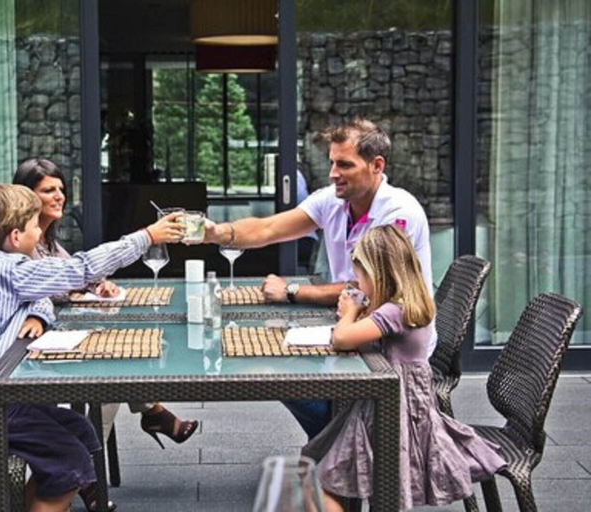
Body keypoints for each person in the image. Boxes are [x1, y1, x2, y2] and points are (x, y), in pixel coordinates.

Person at [0, 183, 185, 512]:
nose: (40, 232)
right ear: (15, 237)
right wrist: (146, 236)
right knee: (69, 460)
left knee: (79, 429)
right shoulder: (8, 269)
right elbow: (81, 269)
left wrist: (37, 313)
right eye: (35, 226)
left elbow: (41, 296)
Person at [203, 118, 436, 438]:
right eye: (332, 163)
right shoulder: (333, 200)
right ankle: (340, 443)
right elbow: (269, 228)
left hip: (389, 348)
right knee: (278, 360)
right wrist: (217, 233)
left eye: (345, 164)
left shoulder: (398, 212)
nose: (333, 173)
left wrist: (293, 291)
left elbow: (372, 287)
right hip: (353, 325)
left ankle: (341, 442)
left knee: (285, 376)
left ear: (376, 165)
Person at [303, 225, 505, 512]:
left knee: (315, 479)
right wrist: (359, 312)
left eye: (361, 277)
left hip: (390, 409)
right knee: (337, 473)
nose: (358, 284)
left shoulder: (393, 311)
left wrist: (349, 312)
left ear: (379, 275)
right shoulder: (406, 304)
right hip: (405, 404)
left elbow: (342, 338)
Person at [14, 158, 199, 448]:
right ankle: (91, 450)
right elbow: (61, 278)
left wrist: (96, 285)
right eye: (48, 190)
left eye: (61, 189)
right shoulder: (18, 244)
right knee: (116, 364)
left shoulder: (46, 239)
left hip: (56, 334)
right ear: (27, 197)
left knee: (127, 350)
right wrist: (147, 236)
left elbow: (72, 273)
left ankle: (144, 416)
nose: (59, 196)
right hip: (31, 353)